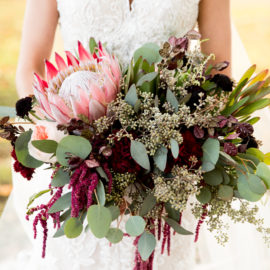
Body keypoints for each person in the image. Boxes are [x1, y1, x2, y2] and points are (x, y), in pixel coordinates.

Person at [0, 0, 269, 269]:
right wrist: (65, 134)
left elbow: (218, 73)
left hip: (169, 170)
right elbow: (31, 66)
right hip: (81, 168)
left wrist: (171, 148)